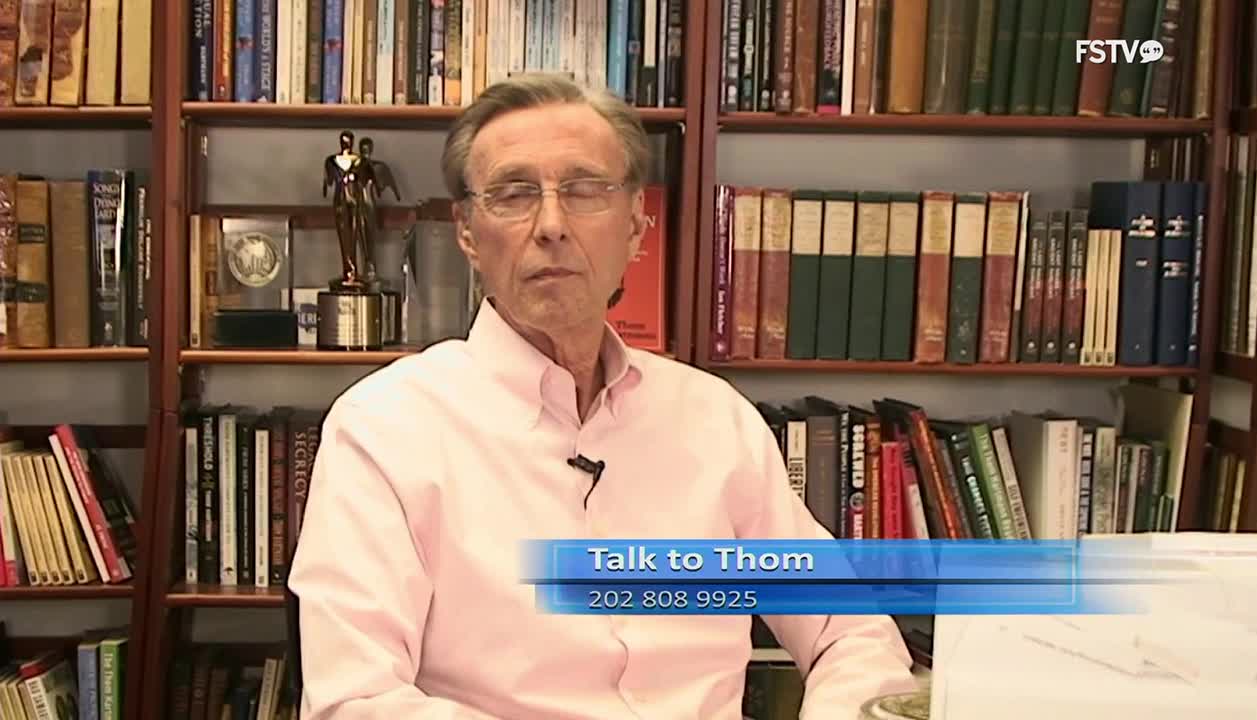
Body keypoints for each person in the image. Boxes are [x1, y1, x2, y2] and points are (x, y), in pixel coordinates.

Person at [287, 74, 918, 720]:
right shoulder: (384, 430)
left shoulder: (715, 420)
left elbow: (851, 630)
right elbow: (354, 702)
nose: (552, 225)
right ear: (468, 234)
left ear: (637, 227)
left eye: (586, 191)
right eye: (513, 193)